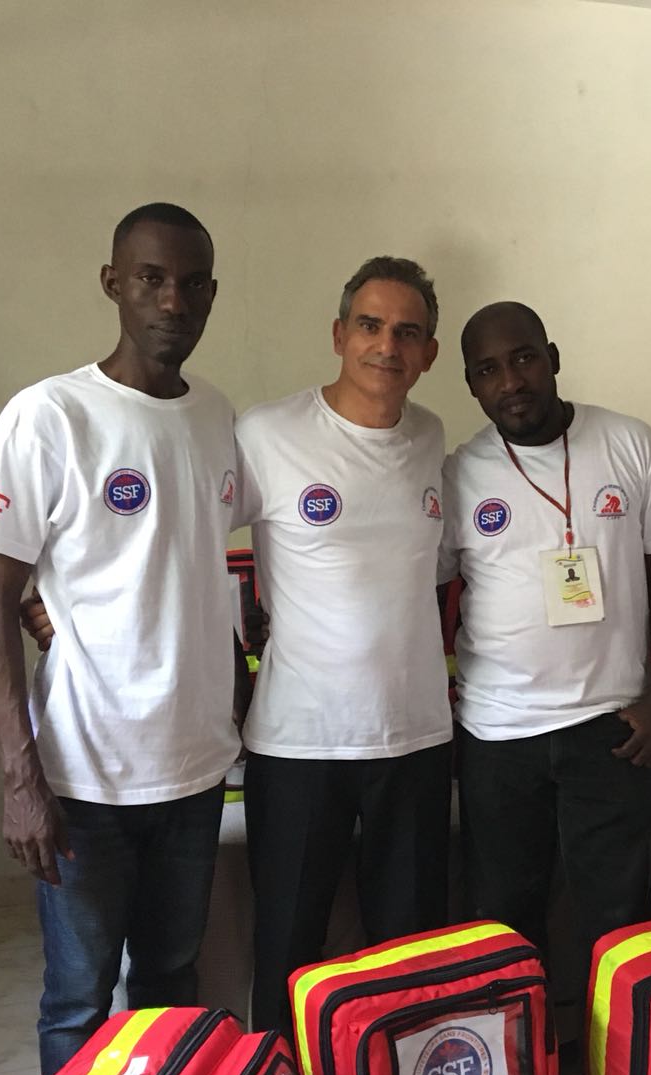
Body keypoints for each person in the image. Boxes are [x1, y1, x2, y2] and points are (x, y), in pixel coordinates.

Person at [0, 203, 242, 1075]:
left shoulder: (217, 416)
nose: (174, 300)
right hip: (85, 776)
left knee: (171, 985)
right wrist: (21, 777)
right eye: (153, 278)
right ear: (113, 284)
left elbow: (181, 564)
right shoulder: (50, 415)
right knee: (79, 1003)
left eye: (193, 283)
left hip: (196, 771)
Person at [440, 301, 651, 1002]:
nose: (510, 382)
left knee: (613, 921)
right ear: (471, 384)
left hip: (613, 729)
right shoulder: (459, 473)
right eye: (487, 370)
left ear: (552, 356)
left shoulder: (628, 442)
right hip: (498, 734)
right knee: (502, 923)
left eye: (522, 358)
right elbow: (427, 596)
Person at [235, 257, 451, 1033]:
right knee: (289, 947)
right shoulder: (265, 434)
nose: (386, 346)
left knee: (409, 954)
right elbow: (175, 542)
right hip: (300, 744)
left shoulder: (431, 437)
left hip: (417, 741)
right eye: (369, 325)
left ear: (428, 352)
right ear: (338, 334)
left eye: (407, 332)